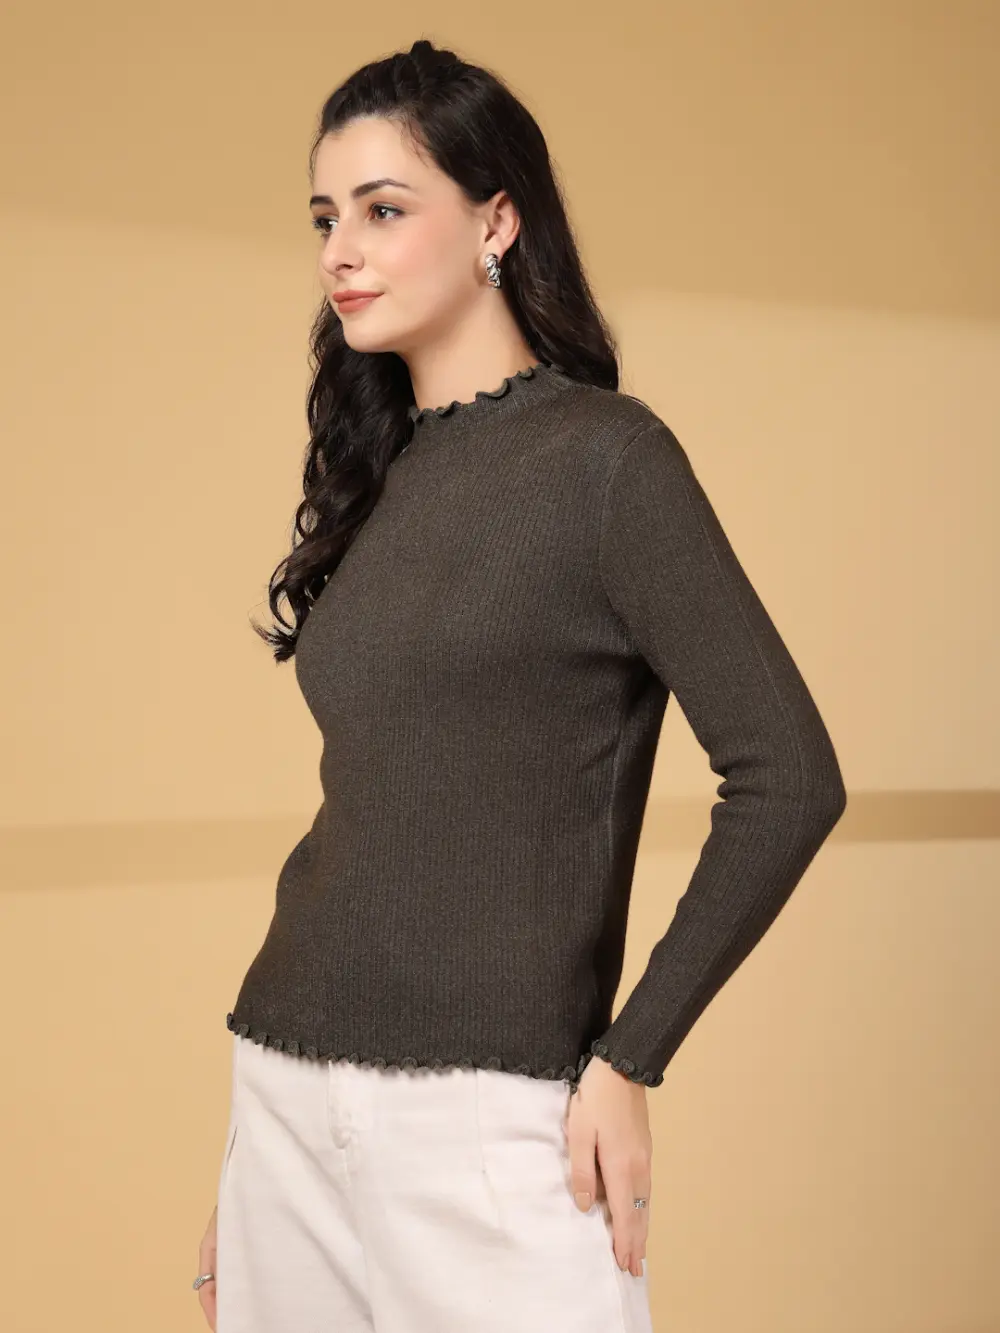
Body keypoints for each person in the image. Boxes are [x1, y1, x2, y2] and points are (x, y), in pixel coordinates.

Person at [195, 37, 847, 1333]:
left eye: (384, 211)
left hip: (492, 1123)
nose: (341, 252)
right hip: (283, 1094)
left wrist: (630, 1057)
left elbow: (790, 777)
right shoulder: (379, 477)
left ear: (497, 221)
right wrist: (246, 1171)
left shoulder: (607, 463)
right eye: (326, 218)